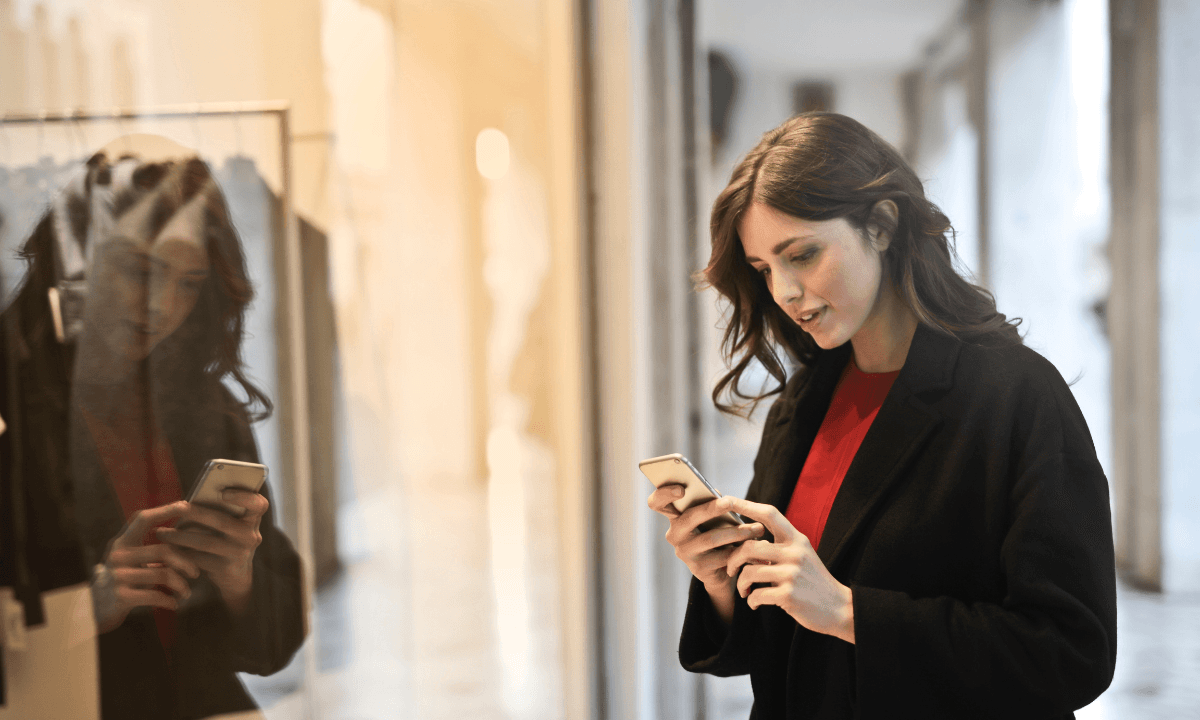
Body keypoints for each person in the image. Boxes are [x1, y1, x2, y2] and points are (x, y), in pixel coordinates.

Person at [647, 113, 1116, 719]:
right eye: (764, 270)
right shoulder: (804, 401)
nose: (785, 291)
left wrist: (848, 612)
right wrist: (722, 581)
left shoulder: (1016, 397)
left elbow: (1071, 652)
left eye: (802, 254)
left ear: (882, 225)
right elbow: (782, 631)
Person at [0, 139, 305, 719]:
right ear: (76, 257)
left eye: (188, 283)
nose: (159, 306)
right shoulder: (12, 390)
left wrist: (239, 579)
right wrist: (89, 605)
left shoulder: (207, 406)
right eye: (137, 270)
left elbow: (274, 646)